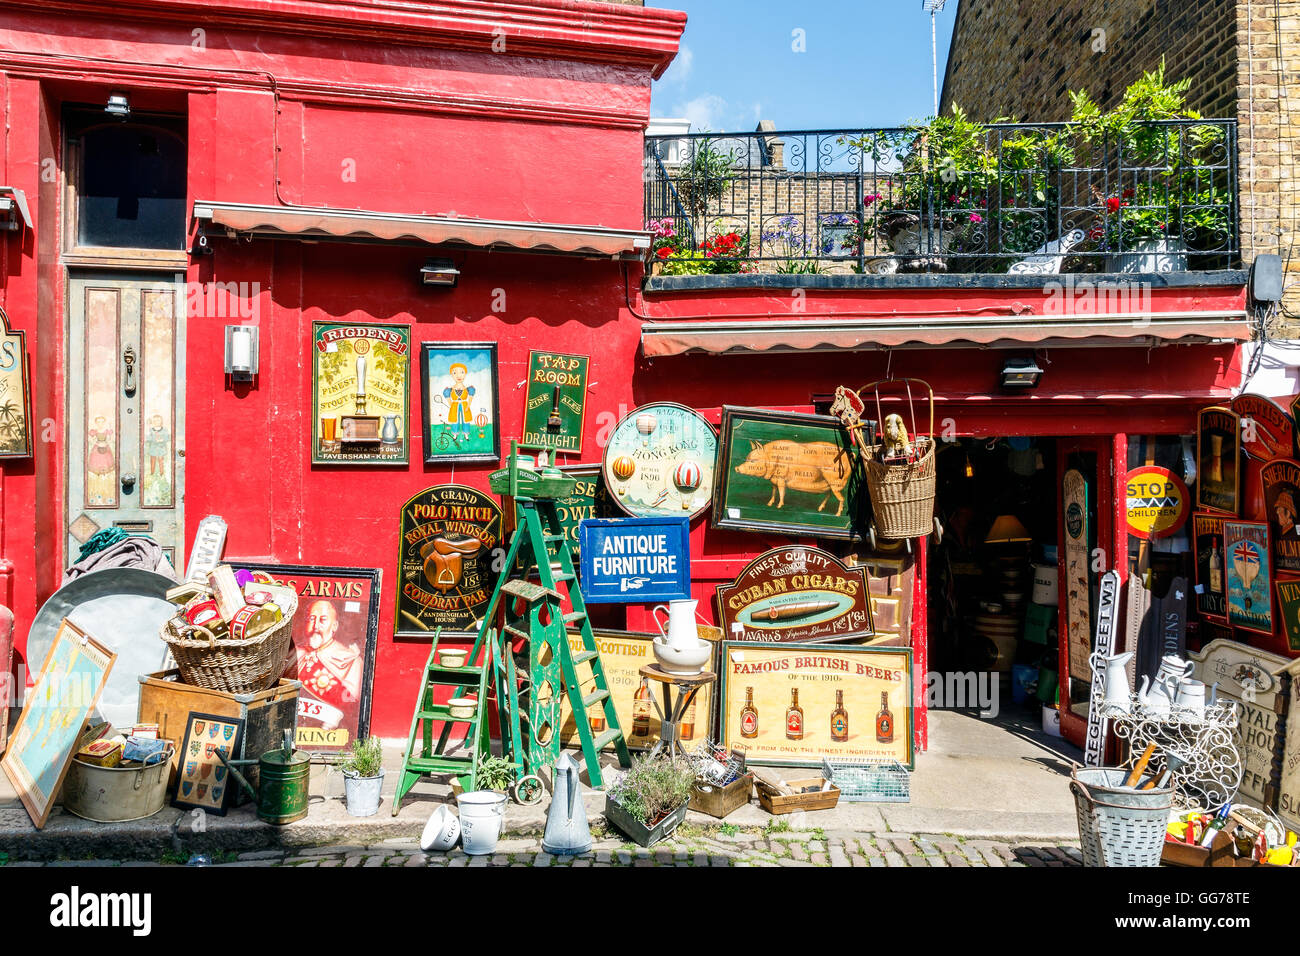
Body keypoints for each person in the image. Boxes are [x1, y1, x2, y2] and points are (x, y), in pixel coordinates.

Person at [288, 600, 363, 729]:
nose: (316, 626)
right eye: (311, 619)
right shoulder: (295, 654)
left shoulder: (351, 660)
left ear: (334, 626)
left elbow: (352, 705)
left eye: (322, 620)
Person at [442, 362, 474, 442]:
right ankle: (455, 434)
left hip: (464, 404)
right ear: (452, 375)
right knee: (455, 420)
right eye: (455, 372)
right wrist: (451, 404)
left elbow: (470, 397)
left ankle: (466, 434)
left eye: (462, 372)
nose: (458, 376)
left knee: (465, 419)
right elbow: (448, 397)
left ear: (465, 374)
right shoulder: (449, 389)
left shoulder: (468, 389)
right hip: (455, 405)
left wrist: (468, 405)